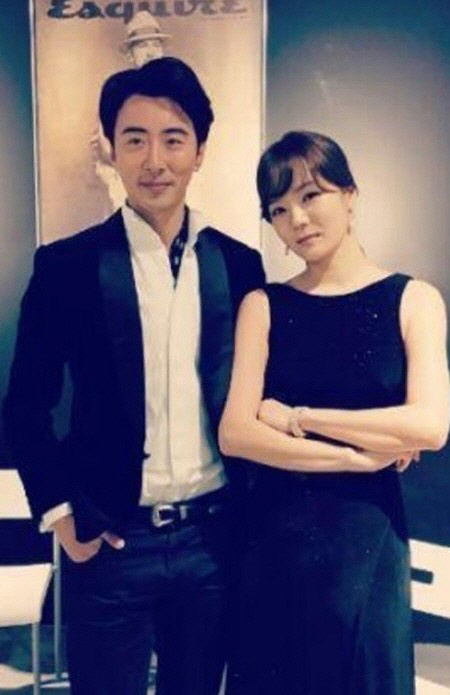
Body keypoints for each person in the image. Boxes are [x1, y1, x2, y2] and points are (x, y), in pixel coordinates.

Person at [3, 57, 264, 695]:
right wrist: (62, 515)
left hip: (212, 541)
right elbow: (25, 406)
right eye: (135, 139)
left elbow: (265, 392)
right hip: (112, 542)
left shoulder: (239, 265)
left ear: (200, 152)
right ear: (112, 149)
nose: (155, 161)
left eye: (173, 139)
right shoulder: (66, 266)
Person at [219, 130, 449, 695]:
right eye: (278, 209)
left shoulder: (414, 299)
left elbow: (429, 425)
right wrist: (357, 457)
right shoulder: (263, 305)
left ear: (350, 194)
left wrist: (299, 417)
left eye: (310, 195)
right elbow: (237, 434)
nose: (296, 219)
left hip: (368, 541)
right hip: (274, 541)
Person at [92, 10, 171, 212]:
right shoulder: (117, 92)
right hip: (126, 179)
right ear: (130, 55)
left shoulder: (180, 91)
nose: (151, 52)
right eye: (143, 46)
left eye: (155, 45)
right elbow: (104, 144)